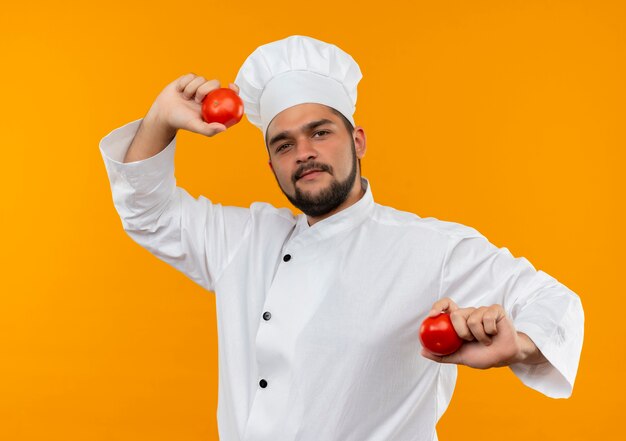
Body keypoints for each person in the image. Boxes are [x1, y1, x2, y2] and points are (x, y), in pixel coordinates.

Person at [99, 35, 584, 441]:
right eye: (284, 144)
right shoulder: (243, 241)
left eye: (321, 132)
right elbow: (148, 213)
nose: (304, 153)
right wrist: (161, 119)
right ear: (272, 165)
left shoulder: (431, 248)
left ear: (358, 142)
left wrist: (518, 346)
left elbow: (553, 301)